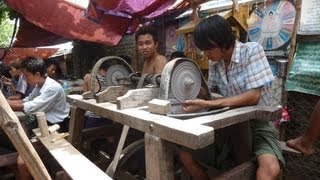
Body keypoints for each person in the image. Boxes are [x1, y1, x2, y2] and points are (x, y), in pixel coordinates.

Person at [179, 15, 284, 180]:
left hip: (256, 124)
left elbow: (253, 96)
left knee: (270, 169)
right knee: (185, 154)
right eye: (203, 50)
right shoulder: (216, 63)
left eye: (209, 49)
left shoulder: (251, 51)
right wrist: (196, 91)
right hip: (225, 125)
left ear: (223, 41)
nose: (206, 55)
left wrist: (209, 103)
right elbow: (210, 93)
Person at [7, 57, 70, 180]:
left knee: (23, 163)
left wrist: (4, 103)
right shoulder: (39, 86)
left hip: (55, 127)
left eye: (26, 75)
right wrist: (7, 101)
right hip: (42, 124)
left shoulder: (52, 87)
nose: (25, 79)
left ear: (37, 74)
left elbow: (31, 107)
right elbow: (27, 100)